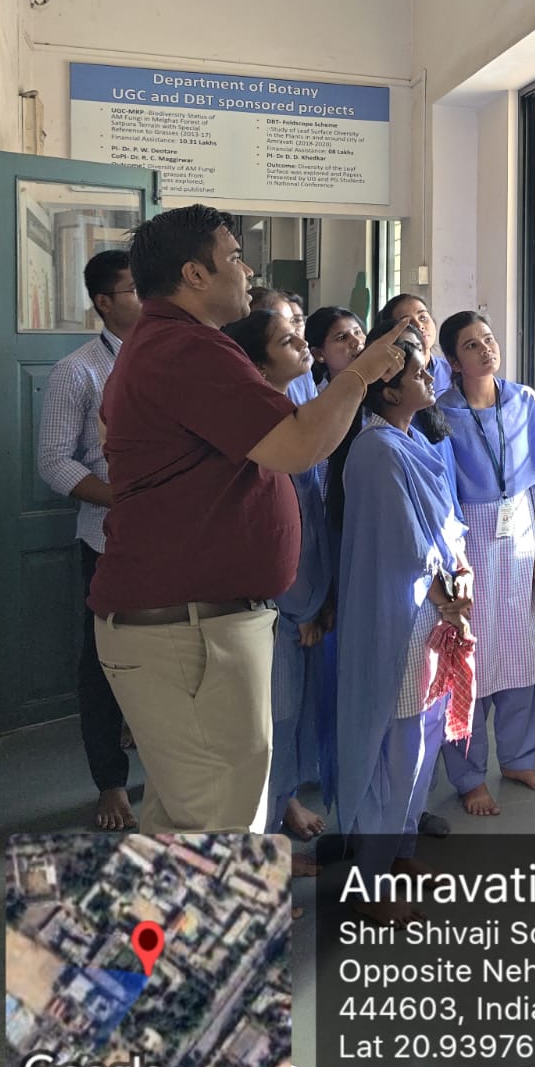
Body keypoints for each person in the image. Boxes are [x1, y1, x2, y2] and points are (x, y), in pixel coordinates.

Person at [89, 203, 410, 838]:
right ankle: (207, 940)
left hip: (190, 624)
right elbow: (297, 445)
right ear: (195, 274)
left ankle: (162, 938)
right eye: (234, 256)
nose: (247, 268)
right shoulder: (186, 349)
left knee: (185, 817)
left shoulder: (172, 344)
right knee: (218, 823)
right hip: (188, 631)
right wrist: (366, 371)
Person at [329, 329, 474, 917]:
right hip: (404, 614)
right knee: (398, 742)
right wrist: (448, 597)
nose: (430, 380)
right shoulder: (377, 450)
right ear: (386, 391)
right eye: (418, 375)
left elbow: (443, 527)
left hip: (433, 609)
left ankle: (401, 849)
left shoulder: (408, 440)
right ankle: (371, 875)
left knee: (427, 729)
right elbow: (409, 547)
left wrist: (458, 582)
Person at [436, 311, 535, 816]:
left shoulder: (524, 401)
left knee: (524, 656)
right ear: (454, 360)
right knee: (470, 661)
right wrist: (456, 564)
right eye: (472, 345)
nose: (486, 349)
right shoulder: (441, 412)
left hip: (521, 548)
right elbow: (443, 495)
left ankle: (518, 757)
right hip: (470, 547)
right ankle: (468, 776)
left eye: (488, 339)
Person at [36, 249, 142, 831]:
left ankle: (166, 771)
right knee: (101, 664)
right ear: (104, 302)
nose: (148, 300)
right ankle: (110, 782)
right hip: (107, 542)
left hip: (176, 545)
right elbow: (53, 461)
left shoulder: (173, 361)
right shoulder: (77, 370)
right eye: (134, 291)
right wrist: (121, 498)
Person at [222, 309, 332, 850]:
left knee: (292, 725)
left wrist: (318, 600)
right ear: (260, 363)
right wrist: (294, 606)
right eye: (287, 339)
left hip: (304, 597)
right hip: (273, 605)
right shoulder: (256, 423)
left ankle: (280, 819)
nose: (302, 343)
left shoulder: (302, 399)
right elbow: (267, 525)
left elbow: (313, 510)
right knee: (269, 729)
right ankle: (263, 852)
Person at [376, 293, 453, 395]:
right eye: (407, 323)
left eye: (423, 318)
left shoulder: (453, 371)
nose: (419, 325)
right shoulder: (389, 378)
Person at [306, 306, 367, 387]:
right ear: (319, 354)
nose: (357, 341)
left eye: (358, 332)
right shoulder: (319, 397)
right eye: (342, 337)